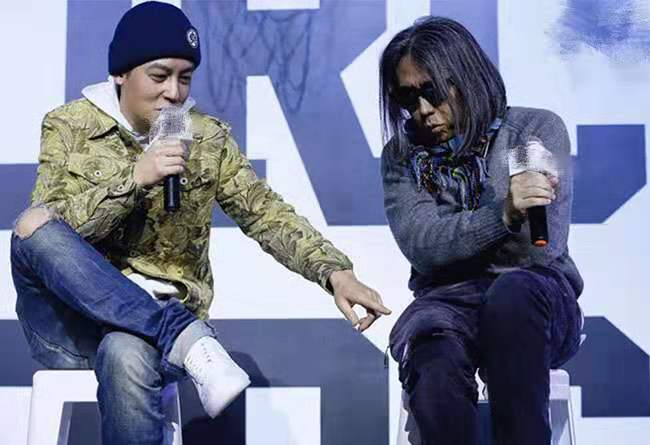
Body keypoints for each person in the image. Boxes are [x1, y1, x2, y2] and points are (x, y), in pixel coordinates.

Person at [10, 2, 390, 443]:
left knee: (125, 349)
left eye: (185, 77)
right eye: (159, 76)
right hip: (70, 325)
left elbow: (265, 212)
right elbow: (51, 237)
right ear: (121, 74)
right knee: (32, 227)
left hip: (153, 330)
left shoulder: (207, 137)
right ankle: (185, 338)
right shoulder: (69, 124)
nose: (174, 92)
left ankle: (175, 335)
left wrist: (335, 272)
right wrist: (134, 180)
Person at [379, 17, 583, 445]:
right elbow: (423, 247)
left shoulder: (534, 132)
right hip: (447, 304)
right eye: (408, 97)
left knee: (512, 296)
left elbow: (540, 251)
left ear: (466, 77)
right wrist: (503, 214)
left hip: (536, 299)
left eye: (433, 91)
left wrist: (465, 238)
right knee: (432, 354)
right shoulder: (402, 155)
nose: (423, 109)